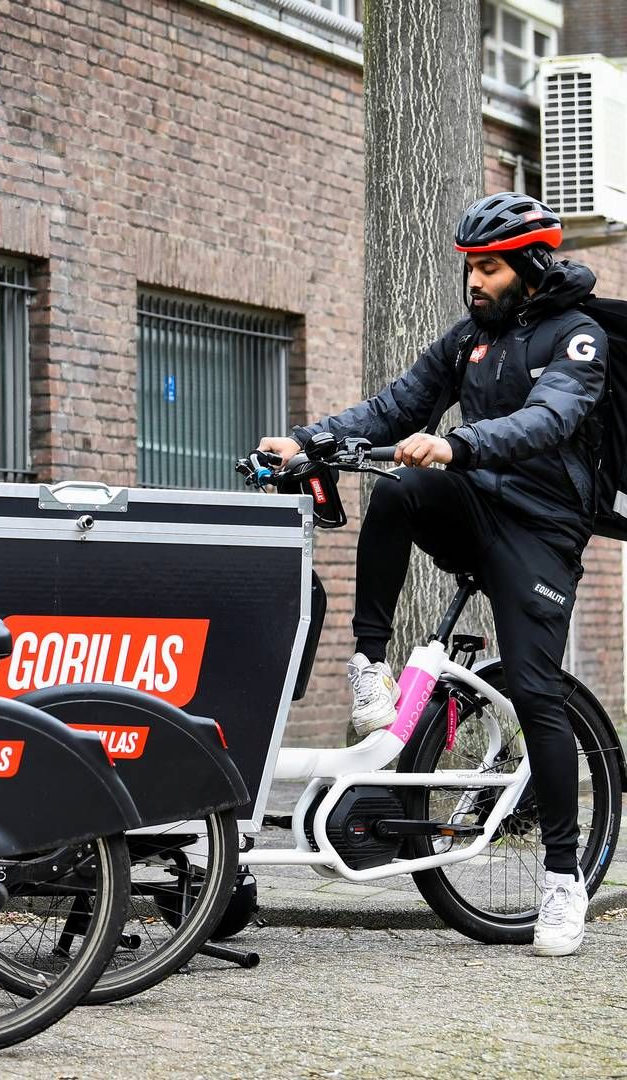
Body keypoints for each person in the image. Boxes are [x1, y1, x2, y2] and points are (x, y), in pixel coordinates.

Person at [258, 192, 608, 957]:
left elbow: (550, 418)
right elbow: (396, 407)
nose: (474, 282)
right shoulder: (467, 341)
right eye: (470, 269)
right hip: (475, 507)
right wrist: (307, 441)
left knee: (535, 691)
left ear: (529, 266)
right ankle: (368, 667)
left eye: (488, 268)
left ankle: (560, 877)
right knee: (399, 490)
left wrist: (460, 445)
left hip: (540, 534)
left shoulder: (576, 339)